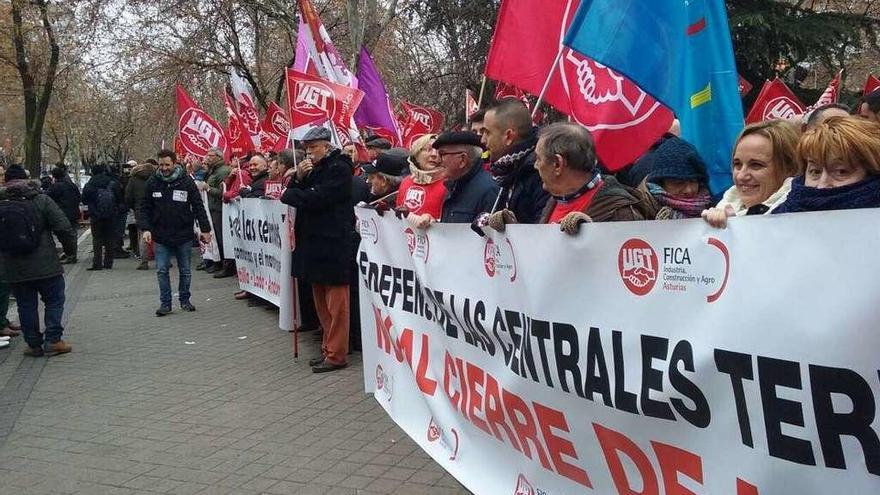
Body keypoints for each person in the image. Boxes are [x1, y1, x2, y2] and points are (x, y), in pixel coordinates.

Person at [280, 127, 353, 373]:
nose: (309, 153)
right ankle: (328, 348)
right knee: (321, 300)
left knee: (336, 303)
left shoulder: (340, 168)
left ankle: (337, 353)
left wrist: (292, 192)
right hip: (313, 243)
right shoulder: (312, 169)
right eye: (306, 149)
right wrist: (298, 179)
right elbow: (298, 192)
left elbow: (317, 198)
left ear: (326, 146)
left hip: (332, 243)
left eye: (313, 148)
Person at [0, 164, 76, 356]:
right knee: (55, 300)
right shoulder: (41, 199)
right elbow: (64, 228)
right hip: (46, 265)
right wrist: (69, 252)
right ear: (26, 179)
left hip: (14, 267)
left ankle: (33, 344)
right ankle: (53, 339)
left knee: (26, 305)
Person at [139, 150, 212, 316]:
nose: (164, 168)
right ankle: (165, 303)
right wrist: (146, 228)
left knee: (185, 270)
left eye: (167, 165)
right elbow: (144, 207)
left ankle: (185, 300)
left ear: (174, 163)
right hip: (161, 234)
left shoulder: (186, 181)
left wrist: (205, 229)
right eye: (161, 165)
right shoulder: (152, 182)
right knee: (162, 270)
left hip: (183, 233)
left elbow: (198, 206)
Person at [702, 120, 801, 228]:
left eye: (756, 165)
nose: (741, 176)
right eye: (737, 164)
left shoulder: (803, 214)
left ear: (790, 168)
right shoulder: (725, 205)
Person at [774, 116, 880, 213]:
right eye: (815, 171)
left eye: (841, 171)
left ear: (872, 173)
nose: (822, 185)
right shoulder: (777, 220)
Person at [481, 100, 549, 225]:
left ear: (508, 136)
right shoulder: (506, 172)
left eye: (487, 132)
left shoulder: (538, 173)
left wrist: (513, 228)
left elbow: (542, 231)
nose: (483, 140)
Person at [429, 131, 499, 226]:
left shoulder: (489, 190)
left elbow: (491, 236)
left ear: (463, 159)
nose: (437, 160)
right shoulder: (452, 186)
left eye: (442, 154)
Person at [641, 137, 713, 220]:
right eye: (678, 183)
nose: (689, 190)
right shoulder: (643, 211)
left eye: (693, 181)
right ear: (660, 183)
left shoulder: (715, 207)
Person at [198, 147, 234, 277]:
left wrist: (208, 188)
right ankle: (218, 262)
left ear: (219, 157)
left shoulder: (223, 171)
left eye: (211, 156)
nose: (208, 158)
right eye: (207, 155)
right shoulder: (213, 171)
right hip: (212, 208)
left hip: (220, 209)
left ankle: (227, 265)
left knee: (221, 238)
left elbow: (222, 192)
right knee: (215, 238)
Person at [82, 164, 123, 270]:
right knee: (110, 238)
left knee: (97, 239)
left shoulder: (90, 184)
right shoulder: (112, 182)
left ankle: (97, 263)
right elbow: (120, 199)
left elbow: (84, 199)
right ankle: (108, 263)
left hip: (96, 215)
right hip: (111, 215)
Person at [398, 134, 446, 225]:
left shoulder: (448, 184)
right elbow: (399, 213)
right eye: (428, 149)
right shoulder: (406, 182)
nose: (434, 154)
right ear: (416, 155)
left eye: (439, 151)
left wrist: (431, 220)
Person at [125, 158, 157, 269]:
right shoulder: (156, 178)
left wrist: (134, 207)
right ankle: (163, 258)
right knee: (158, 234)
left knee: (143, 235)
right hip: (156, 209)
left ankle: (144, 261)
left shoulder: (133, 180)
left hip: (140, 210)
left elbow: (128, 197)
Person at [47, 166, 82, 239]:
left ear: (54, 176)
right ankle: (73, 247)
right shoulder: (72, 185)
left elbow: (48, 200)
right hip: (74, 213)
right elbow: (79, 198)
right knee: (73, 234)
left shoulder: (55, 187)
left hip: (62, 215)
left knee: (64, 236)